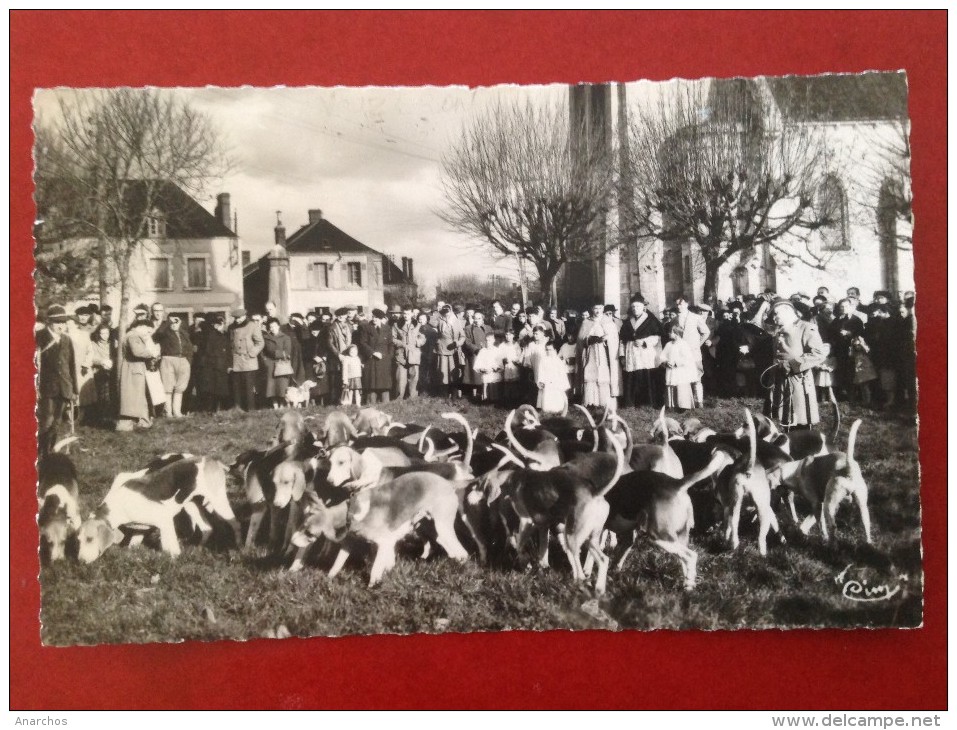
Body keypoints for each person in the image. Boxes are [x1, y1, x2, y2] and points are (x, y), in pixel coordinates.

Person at [765, 299, 827, 429]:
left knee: (800, 419)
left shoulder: (806, 327)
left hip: (799, 380)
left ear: (788, 311)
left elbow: (818, 353)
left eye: (776, 314)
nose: (774, 318)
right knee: (783, 418)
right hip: (779, 379)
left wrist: (793, 364)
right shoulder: (779, 330)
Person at [36, 305, 77, 454]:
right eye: (58, 322)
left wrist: (75, 389)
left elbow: (71, 366)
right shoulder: (38, 337)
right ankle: (38, 452)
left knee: (57, 423)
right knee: (46, 421)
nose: (62, 325)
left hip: (64, 387)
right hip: (45, 388)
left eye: (64, 322)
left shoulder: (67, 340)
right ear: (49, 323)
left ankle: (48, 452)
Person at [116, 315, 162, 431]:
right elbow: (137, 352)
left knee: (137, 397)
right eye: (147, 331)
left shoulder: (131, 335)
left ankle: (142, 422)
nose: (148, 334)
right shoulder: (133, 336)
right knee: (134, 397)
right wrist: (152, 353)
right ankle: (131, 424)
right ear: (141, 326)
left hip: (134, 369)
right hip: (134, 370)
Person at [618, 294, 663, 408]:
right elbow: (622, 340)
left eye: (637, 306)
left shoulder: (651, 321)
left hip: (645, 353)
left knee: (646, 376)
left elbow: (657, 337)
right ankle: (632, 403)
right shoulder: (628, 322)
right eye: (633, 307)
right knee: (632, 377)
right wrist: (622, 355)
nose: (635, 309)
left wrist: (644, 342)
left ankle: (647, 403)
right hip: (631, 353)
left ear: (643, 307)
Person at [576, 302, 620, 410]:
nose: (597, 311)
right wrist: (588, 339)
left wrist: (605, 339)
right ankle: (591, 400)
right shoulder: (586, 322)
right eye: (595, 308)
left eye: (600, 308)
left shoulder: (609, 322)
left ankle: (604, 400)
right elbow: (580, 339)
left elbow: (614, 339)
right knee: (591, 374)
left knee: (603, 374)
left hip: (604, 352)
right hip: (590, 352)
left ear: (603, 308)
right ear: (592, 308)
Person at [670, 295, 710, 408]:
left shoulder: (696, 317)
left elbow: (706, 332)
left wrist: (698, 344)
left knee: (697, 377)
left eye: (681, 304)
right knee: (683, 377)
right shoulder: (674, 320)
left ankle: (699, 402)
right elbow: (671, 335)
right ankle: (686, 402)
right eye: (677, 304)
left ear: (687, 304)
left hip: (693, 352)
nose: (679, 306)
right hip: (680, 354)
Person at [155, 314, 194, 417]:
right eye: (172, 321)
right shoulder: (165, 332)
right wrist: (168, 322)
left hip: (183, 361)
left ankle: (177, 412)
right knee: (167, 387)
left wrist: (188, 361)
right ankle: (168, 413)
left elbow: (189, 348)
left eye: (177, 321)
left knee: (180, 387)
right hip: (168, 360)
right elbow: (157, 335)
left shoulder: (184, 334)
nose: (174, 323)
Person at [828, 298, 865, 400]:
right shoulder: (837, 320)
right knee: (841, 370)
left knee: (851, 371)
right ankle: (841, 394)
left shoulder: (856, 320)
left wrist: (849, 333)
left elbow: (861, 334)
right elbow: (831, 333)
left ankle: (852, 395)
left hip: (852, 349)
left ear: (851, 307)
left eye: (846, 306)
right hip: (839, 349)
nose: (843, 308)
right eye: (841, 307)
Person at [228, 308, 263, 412]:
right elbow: (230, 344)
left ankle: (251, 410)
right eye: (235, 318)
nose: (237, 320)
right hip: (236, 362)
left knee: (249, 388)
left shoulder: (252, 326)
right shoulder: (231, 327)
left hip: (248, 361)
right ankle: (238, 409)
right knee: (236, 388)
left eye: (238, 318)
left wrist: (252, 354)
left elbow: (260, 342)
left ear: (244, 316)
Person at [355, 309, 394, 404]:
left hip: (384, 361)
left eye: (377, 317)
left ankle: (386, 405)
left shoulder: (387, 328)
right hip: (371, 360)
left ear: (381, 319)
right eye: (373, 317)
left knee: (384, 384)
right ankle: (371, 404)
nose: (374, 319)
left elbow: (390, 344)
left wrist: (389, 356)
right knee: (372, 384)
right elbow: (362, 343)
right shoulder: (366, 328)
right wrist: (372, 353)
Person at [195, 314, 232, 412]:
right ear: (215, 324)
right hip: (217, 364)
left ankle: (209, 409)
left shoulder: (202, 333)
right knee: (217, 389)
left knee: (209, 389)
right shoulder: (217, 335)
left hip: (207, 365)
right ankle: (216, 409)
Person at [658, 321, 696, 410]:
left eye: (670, 332)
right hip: (670, 370)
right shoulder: (668, 344)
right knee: (671, 384)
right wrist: (665, 362)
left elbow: (687, 358)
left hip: (680, 370)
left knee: (681, 385)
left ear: (676, 334)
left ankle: (683, 405)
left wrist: (676, 363)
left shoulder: (683, 344)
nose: (668, 333)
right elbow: (662, 356)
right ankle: (671, 405)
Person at [392, 305, 425, 400]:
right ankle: (399, 398)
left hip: (414, 354)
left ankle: (412, 397)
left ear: (412, 314)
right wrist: (401, 343)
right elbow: (393, 338)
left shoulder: (417, 325)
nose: (406, 315)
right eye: (404, 313)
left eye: (408, 313)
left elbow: (422, 337)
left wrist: (417, 343)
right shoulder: (396, 325)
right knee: (400, 379)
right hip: (401, 354)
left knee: (414, 377)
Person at [262, 317, 294, 409]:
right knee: (271, 387)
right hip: (270, 365)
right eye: (270, 327)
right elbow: (262, 351)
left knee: (282, 386)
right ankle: (274, 404)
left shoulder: (286, 337)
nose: (272, 328)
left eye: (274, 326)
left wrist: (275, 353)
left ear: (278, 326)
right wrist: (265, 360)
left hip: (282, 365)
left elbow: (287, 351)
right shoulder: (266, 338)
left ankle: (282, 404)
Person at [435, 304, 465, 399]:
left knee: (454, 373)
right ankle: (443, 395)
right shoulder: (439, 320)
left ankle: (454, 396)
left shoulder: (456, 322)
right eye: (444, 311)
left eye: (448, 311)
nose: (446, 313)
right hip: (443, 350)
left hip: (454, 350)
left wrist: (458, 343)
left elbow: (462, 336)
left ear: (451, 311)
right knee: (443, 373)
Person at [89, 323, 116, 425]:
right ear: (98, 334)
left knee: (111, 393)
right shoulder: (94, 344)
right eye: (102, 333)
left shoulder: (113, 344)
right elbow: (92, 358)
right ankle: (101, 417)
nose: (105, 335)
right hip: (99, 371)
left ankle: (110, 415)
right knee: (102, 394)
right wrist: (102, 361)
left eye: (107, 333)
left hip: (111, 371)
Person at [462, 310, 492, 401]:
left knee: (486, 373)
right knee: (474, 374)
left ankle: (485, 393)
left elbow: (491, 339)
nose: (476, 320)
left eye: (479, 319)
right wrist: (476, 349)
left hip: (486, 352)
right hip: (475, 353)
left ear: (483, 320)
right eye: (475, 318)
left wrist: (487, 349)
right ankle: (474, 394)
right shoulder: (468, 328)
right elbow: (467, 342)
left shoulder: (488, 328)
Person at [537, 339, 570, 414]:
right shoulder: (543, 360)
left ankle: (558, 409)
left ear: (555, 350)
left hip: (556, 383)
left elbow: (562, 374)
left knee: (557, 396)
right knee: (547, 397)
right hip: (547, 382)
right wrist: (541, 381)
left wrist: (562, 384)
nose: (548, 352)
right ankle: (547, 410)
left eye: (550, 350)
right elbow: (541, 372)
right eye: (547, 350)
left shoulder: (558, 361)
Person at [472, 330, 504, 403]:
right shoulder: (483, 351)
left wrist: (494, 369)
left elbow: (500, 365)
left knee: (494, 383)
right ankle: (485, 400)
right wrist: (482, 369)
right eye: (486, 340)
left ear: (493, 340)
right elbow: (477, 364)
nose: (488, 342)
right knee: (485, 381)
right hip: (485, 373)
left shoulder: (497, 350)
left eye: (489, 340)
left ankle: (495, 400)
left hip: (494, 372)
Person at [499, 328, 523, 407]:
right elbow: (499, 356)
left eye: (510, 335)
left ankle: (515, 400)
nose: (508, 336)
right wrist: (503, 359)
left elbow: (519, 355)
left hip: (514, 366)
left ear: (513, 335)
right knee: (507, 384)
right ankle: (507, 400)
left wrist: (516, 361)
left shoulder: (516, 345)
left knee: (514, 383)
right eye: (506, 335)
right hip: (506, 366)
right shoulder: (502, 345)